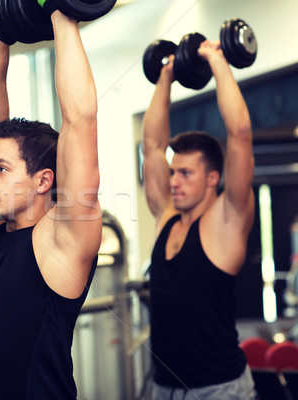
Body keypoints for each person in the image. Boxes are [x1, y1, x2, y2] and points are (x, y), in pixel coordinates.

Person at [0, 8, 102, 400]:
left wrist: (64, 15)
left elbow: (81, 120)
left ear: (43, 180)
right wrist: (0, 30)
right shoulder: (0, 230)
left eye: (1, 169)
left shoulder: (62, 242)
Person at [142, 40, 256, 399]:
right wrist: (166, 76)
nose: (173, 181)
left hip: (219, 389)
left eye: (186, 174)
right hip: (165, 387)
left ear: (212, 178)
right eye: (173, 172)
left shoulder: (228, 220)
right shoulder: (167, 217)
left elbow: (239, 133)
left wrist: (216, 58)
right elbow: (153, 146)